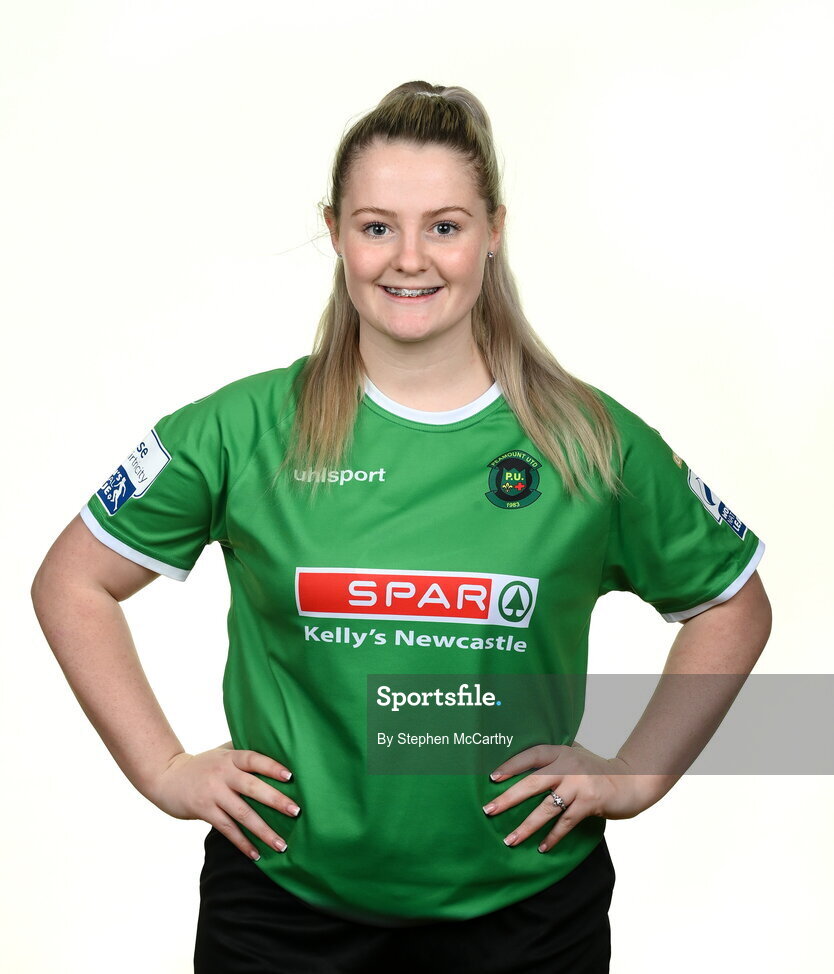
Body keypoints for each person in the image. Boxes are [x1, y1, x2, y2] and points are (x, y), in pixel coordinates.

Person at [31, 80, 772, 973]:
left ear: (493, 231)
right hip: (281, 913)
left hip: (527, 917)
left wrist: (638, 773)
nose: (410, 259)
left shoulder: (588, 442)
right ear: (336, 232)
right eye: (377, 226)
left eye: (445, 226)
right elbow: (72, 581)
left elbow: (733, 603)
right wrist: (162, 768)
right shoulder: (238, 431)